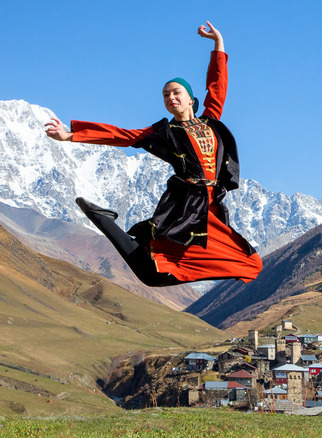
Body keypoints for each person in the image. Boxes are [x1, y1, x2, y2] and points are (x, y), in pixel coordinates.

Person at [45, 21, 262, 287]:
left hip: (211, 206)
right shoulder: (165, 132)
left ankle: (102, 218)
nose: (171, 97)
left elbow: (217, 86)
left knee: (250, 264)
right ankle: (102, 220)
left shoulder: (210, 121)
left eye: (176, 92)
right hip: (187, 207)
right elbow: (123, 136)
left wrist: (218, 44)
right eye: (165, 95)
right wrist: (71, 135)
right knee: (156, 275)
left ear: (191, 99)